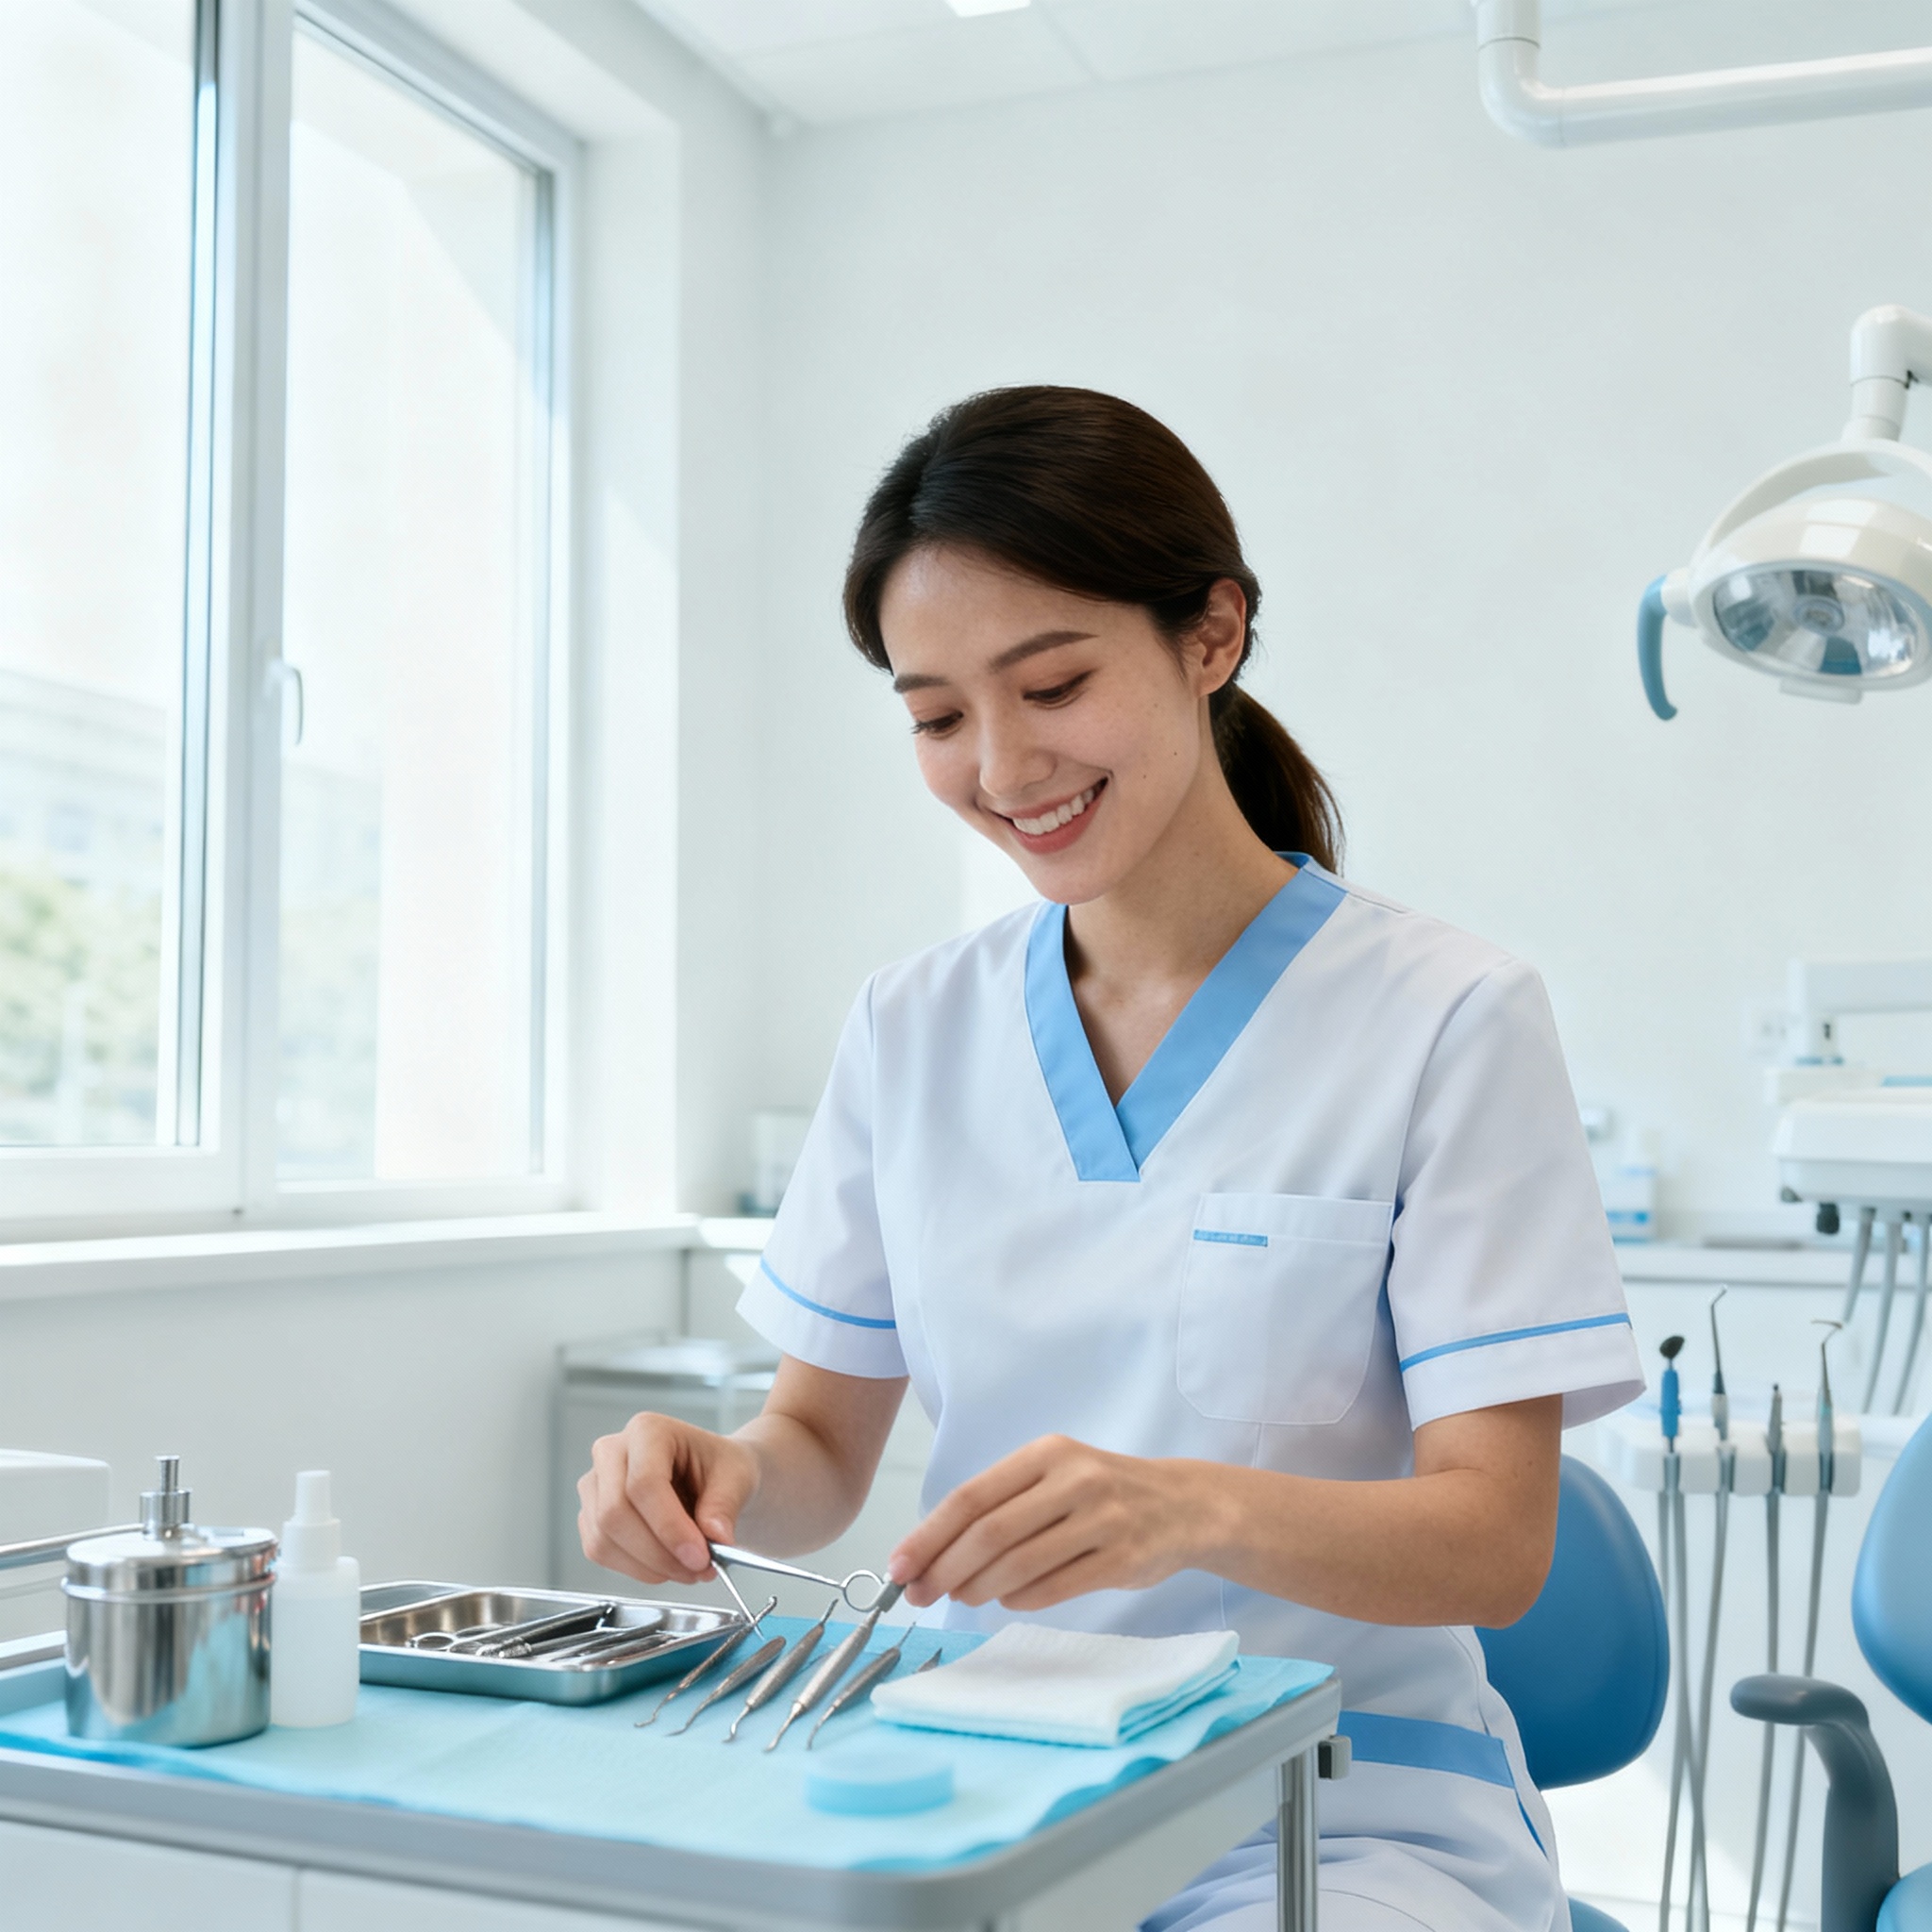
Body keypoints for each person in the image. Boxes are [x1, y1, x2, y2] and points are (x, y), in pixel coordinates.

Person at [579, 386, 1643, 1932]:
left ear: (1211, 636)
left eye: (1055, 684)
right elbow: (815, 1448)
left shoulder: (1447, 1018)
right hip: (989, 1792)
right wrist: (722, 1478)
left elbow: (1494, 1542)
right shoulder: (910, 1027)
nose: (1003, 765)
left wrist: (1191, 1510)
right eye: (938, 718)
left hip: (1342, 1812)